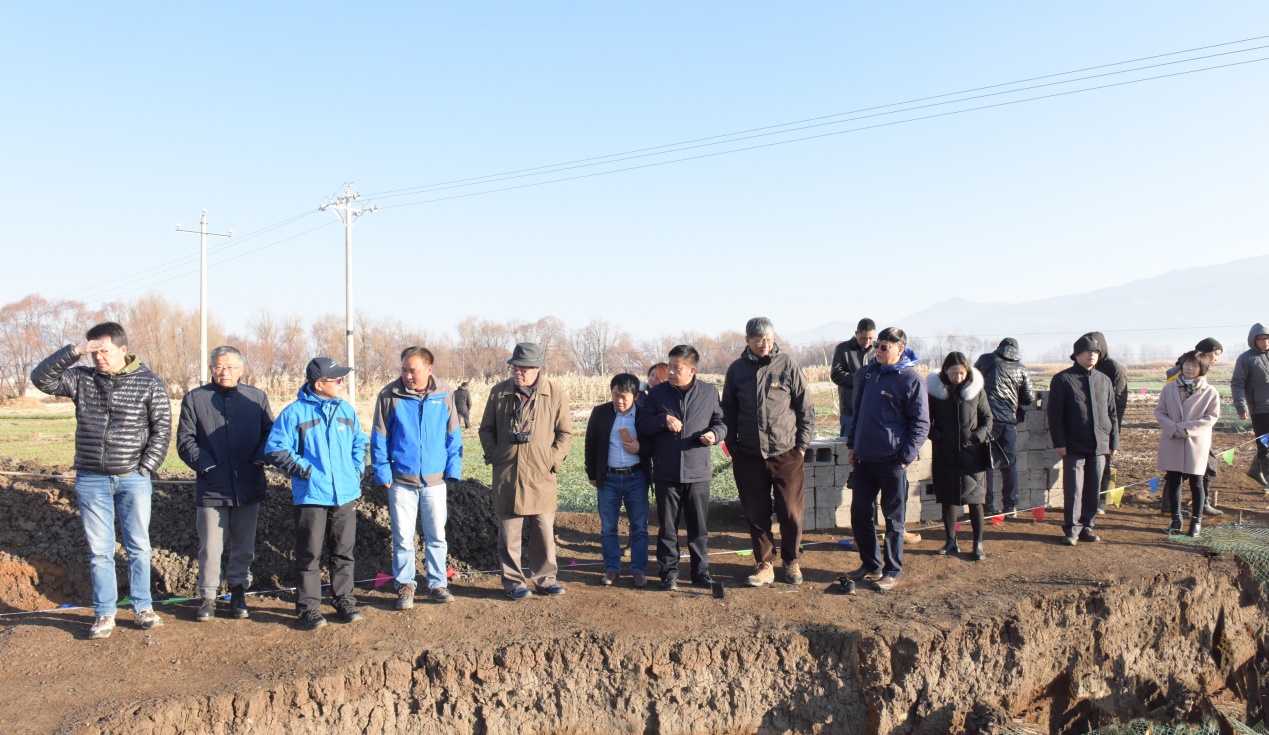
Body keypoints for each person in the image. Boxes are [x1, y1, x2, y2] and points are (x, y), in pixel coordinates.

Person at [31, 322, 171, 640]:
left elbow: (162, 427)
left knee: (139, 546)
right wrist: (75, 351)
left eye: (104, 351)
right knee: (100, 551)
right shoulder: (82, 378)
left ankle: (143, 607)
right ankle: (105, 613)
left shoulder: (148, 382)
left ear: (123, 349)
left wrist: (145, 467)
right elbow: (41, 379)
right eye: (93, 352)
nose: (99, 357)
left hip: (132, 478)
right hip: (91, 479)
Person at [265, 357, 368, 630]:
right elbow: (276, 448)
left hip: (345, 493)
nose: (342, 383)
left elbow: (359, 441)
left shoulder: (346, 409)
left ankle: (344, 601)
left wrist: (356, 469)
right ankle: (308, 608)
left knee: (343, 552)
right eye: (337, 379)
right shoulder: (294, 413)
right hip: (311, 495)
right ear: (319, 384)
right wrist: (307, 471)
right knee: (309, 553)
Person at [176, 345, 274, 622]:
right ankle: (208, 597)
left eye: (230, 367)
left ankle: (238, 592)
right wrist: (206, 465)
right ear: (211, 368)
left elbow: (270, 434)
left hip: (248, 482)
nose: (224, 372)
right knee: (210, 546)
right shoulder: (195, 398)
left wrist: (259, 458)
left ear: (241, 370)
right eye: (219, 367)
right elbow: (185, 440)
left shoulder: (256, 398)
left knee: (244, 544)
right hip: (212, 486)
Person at [721, 317, 814, 587]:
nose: (765, 344)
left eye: (769, 339)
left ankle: (791, 561)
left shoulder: (787, 364)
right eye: (759, 340)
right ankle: (764, 564)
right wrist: (734, 447)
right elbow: (728, 412)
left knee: (791, 513)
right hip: (749, 455)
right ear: (747, 340)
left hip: (786, 454)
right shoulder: (737, 369)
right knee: (756, 513)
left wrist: (801, 447)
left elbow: (805, 408)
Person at [370, 347, 463, 609]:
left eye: (413, 371)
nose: (407, 376)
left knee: (437, 536)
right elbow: (379, 436)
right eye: (404, 370)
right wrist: (382, 471)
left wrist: (453, 470)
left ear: (429, 369)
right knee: (402, 537)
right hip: (401, 481)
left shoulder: (444, 394)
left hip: (435, 481)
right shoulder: (389, 395)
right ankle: (405, 585)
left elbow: (453, 435)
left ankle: (437, 584)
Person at [478, 343, 572, 601]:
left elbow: (565, 434)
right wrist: (495, 455)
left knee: (543, 532)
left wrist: (551, 460)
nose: (517, 372)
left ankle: (546, 579)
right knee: (509, 534)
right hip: (508, 474)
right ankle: (514, 582)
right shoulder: (499, 393)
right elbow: (486, 430)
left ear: (537, 368)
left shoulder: (554, 393)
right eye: (514, 367)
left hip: (541, 475)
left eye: (523, 368)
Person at [839, 327, 929, 591]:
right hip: (864, 460)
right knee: (860, 514)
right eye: (877, 345)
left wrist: (905, 457)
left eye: (884, 347)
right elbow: (858, 413)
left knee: (893, 519)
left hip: (892, 462)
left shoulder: (911, 380)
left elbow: (921, 424)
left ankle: (891, 570)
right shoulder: (870, 373)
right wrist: (853, 445)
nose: (877, 350)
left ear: (900, 349)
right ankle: (871, 564)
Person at [637, 345, 727, 591]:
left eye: (677, 368)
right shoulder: (657, 394)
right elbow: (642, 425)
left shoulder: (708, 392)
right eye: (670, 366)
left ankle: (700, 572)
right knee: (668, 528)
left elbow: (721, 422)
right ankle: (668, 573)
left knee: (698, 528)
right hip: (666, 471)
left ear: (691, 370)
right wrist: (662, 420)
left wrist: (714, 434)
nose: (671, 372)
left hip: (697, 471)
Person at [1048, 335, 1119, 546]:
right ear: (1077, 354)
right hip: (1073, 443)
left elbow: (1112, 413)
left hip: (1100, 443)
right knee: (1074, 488)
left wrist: (1114, 441)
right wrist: (1059, 442)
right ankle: (1072, 528)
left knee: (1093, 487)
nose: (1092, 355)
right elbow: (1055, 414)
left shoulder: (1104, 380)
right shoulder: (1062, 379)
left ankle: (1088, 526)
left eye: (1096, 352)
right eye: (1088, 351)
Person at [584, 373, 653, 588]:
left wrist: (640, 448)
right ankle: (612, 568)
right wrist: (592, 474)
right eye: (615, 395)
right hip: (609, 479)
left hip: (636, 477)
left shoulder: (644, 414)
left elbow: (654, 446)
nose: (619, 400)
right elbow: (590, 444)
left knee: (639, 527)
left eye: (624, 396)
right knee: (608, 527)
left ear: (636, 396)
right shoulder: (600, 413)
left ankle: (638, 570)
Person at [927, 353, 993, 561]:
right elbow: (925, 420)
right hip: (944, 453)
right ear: (945, 371)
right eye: (953, 373)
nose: (958, 377)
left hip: (972, 454)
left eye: (962, 373)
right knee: (948, 499)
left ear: (968, 371)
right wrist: (938, 436)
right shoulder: (935, 393)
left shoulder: (976, 391)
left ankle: (978, 543)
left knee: (975, 500)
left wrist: (976, 437)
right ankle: (950, 541)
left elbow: (987, 418)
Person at [1156, 351, 1220, 537]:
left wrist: (1185, 429)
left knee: (1196, 482)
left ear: (1203, 368)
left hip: (1196, 441)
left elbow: (1211, 417)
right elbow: (1160, 412)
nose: (1190, 368)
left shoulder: (1210, 392)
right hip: (1172, 439)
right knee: (1174, 481)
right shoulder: (1169, 388)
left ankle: (1196, 522)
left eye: (1195, 365)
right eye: (1187, 364)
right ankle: (1175, 520)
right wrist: (1172, 429)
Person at [1163, 337, 1224, 516]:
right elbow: (1166, 408)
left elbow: (1210, 415)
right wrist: (1176, 429)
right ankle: (1173, 507)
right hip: (1178, 434)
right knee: (1178, 471)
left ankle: (1197, 506)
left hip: (1196, 433)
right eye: (1216, 354)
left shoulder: (1207, 387)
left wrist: (1190, 429)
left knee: (1199, 469)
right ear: (1204, 353)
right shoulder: (1175, 379)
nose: (1216, 358)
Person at [974, 337, 1034, 516]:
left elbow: (971, 382)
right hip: (1009, 421)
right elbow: (1029, 397)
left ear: (999, 347)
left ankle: (988, 507)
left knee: (986, 463)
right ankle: (1010, 506)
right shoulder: (1021, 368)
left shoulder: (986, 359)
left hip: (987, 420)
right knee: (1009, 464)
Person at [1083, 332, 1127, 516]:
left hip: (1106, 425)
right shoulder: (1083, 366)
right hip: (1084, 425)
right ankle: (1084, 499)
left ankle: (1100, 500)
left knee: (1104, 463)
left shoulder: (1113, 369)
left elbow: (1119, 401)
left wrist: (1114, 429)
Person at [1231, 324, 1269, 493]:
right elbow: (1237, 383)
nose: (1265, 342)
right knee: (1265, 445)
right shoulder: (1245, 359)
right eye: (1261, 339)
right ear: (1253, 340)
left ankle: (1254, 470)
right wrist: (1241, 405)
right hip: (1259, 408)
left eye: (1267, 338)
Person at [831, 319, 876, 437]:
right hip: (849, 408)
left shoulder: (878, 351)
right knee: (847, 444)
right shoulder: (843, 349)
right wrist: (859, 380)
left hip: (872, 408)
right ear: (856, 333)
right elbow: (836, 374)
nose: (867, 341)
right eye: (863, 338)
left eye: (870, 338)